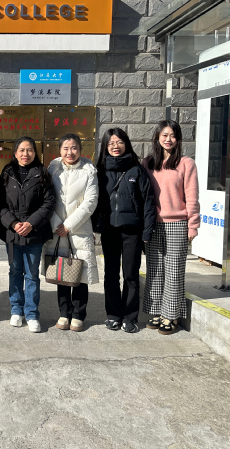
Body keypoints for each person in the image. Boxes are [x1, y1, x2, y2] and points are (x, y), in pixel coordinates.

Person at [94, 128, 156, 333]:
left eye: (119, 142)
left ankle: (130, 317)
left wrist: (147, 231)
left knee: (130, 275)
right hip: (109, 231)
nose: (115, 146)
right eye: (111, 143)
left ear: (126, 144)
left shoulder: (137, 170)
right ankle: (113, 315)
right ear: (105, 146)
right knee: (111, 275)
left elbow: (148, 202)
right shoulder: (100, 171)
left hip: (132, 232)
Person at [142, 120, 199, 335]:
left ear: (178, 139)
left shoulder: (186, 163)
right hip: (153, 224)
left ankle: (171, 315)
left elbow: (192, 197)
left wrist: (193, 225)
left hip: (177, 223)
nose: (168, 139)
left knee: (174, 271)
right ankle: (157, 311)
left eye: (173, 135)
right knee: (155, 269)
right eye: (164, 135)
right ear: (157, 137)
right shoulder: (148, 163)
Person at [0, 136, 54, 333]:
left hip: (34, 232)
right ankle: (16, 310)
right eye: (21, 150)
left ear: (35, 153)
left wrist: (31, 223)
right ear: (15, 153)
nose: (25, 154)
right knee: (14, 271)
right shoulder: (7, 173)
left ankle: (31, 314)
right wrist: (13, 223)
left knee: (31, 274)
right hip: (12, 232)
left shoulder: (42, 173)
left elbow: (49, 203)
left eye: (29, 150)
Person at [47, 134, 99, 333]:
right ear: (60, 150)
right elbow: (46, 198)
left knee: (80, 273)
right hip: (57, 230)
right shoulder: (53, 169)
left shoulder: (89, 171)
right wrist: (56, 224)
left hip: (79, 229)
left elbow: (90, 202)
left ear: (80, 149)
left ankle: (78, 315)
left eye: (74, 148)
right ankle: (63, 313)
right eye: (66, 148)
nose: (70, 152)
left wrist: (68, 225)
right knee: (61, 273)